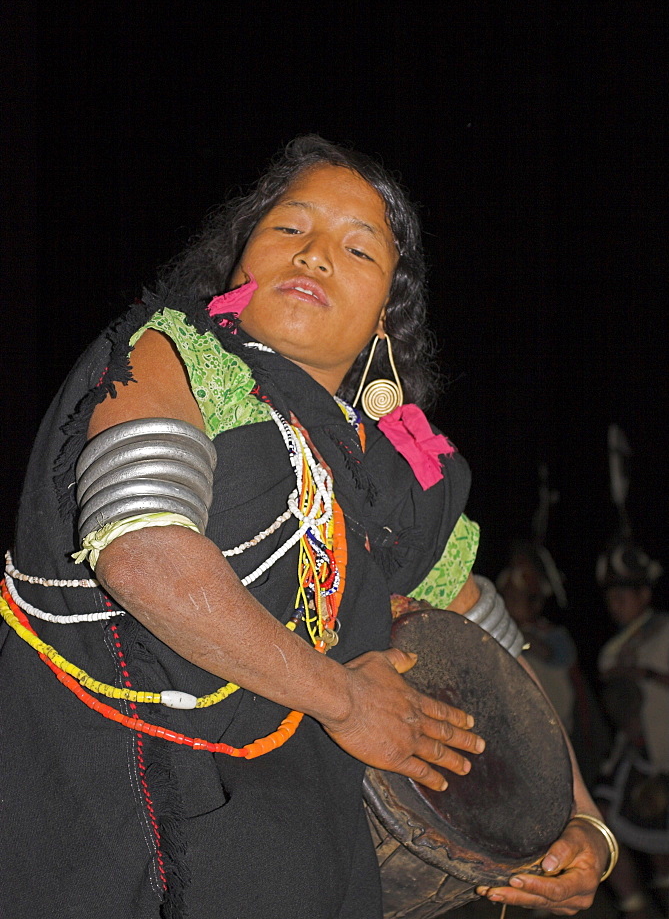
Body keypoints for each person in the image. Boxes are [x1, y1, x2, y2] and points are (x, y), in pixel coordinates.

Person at [0, 136, 613, 918]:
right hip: (120, 837)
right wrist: (348, 702)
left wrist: (579, 822)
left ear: (387, 311)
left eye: (358, 248)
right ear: (237, 266)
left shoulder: (403, 473)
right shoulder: (177, 354)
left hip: (315, 868)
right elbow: (143, 552)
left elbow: (485, 649)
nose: (316, 255)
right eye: (289, 229)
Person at [596, 538, 669, 916]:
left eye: (624, 595)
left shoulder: (665, 632)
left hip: (664, 752)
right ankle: (636, 906)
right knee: (602, 824)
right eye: (611, 597)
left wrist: (651, 674)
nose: (615, 604)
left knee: (661, 854)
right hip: (637, 756)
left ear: (644, 594)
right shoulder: (614, 648)